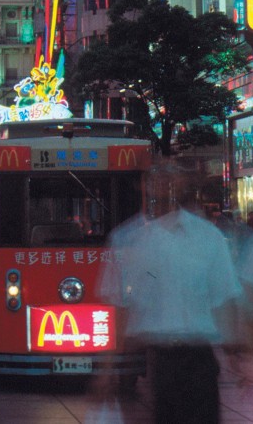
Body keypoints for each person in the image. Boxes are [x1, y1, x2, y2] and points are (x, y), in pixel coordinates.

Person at [98, 167, 243, 424]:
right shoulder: (129, 239)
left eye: (170, 178)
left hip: (200, 356)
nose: (164, 185)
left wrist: (234, 352)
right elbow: (121, 307)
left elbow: (224, 297)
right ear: (143, 186)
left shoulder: (206, 237)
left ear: (181, 185)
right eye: (155, 178)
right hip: (159, 359)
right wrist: (108, 367)